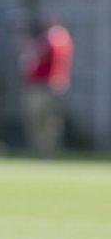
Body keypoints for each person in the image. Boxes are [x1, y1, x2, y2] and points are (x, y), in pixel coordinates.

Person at [19, 15, 73, 157]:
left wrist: (24, 40)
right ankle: (47, 153)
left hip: (44, 85)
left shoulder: (53, 37)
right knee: (47, 122)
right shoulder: (61, 37)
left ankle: (44, 153)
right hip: (52, 84)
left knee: (41, 122)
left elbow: (34, 56)